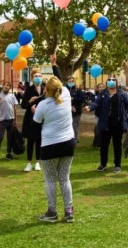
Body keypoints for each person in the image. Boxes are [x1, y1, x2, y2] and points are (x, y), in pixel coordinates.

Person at [33, 76, 75, 223]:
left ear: (47, 90)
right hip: (68, 143)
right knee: (64, 178)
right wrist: (55, 65)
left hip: (50, 146)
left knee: (50, 180)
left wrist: (34, 110)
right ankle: (69, 211)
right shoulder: (67, 96)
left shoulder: (43, 105)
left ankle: (52, 212)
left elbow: (36, 123)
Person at [86, 76, 128, 173]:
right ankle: (103, 164)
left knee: (117, 145)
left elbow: (127, 105)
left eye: (113, 80)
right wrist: (90, 108)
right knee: (104, 145)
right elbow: (95, 104)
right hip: (105, 124)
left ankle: (117, 165)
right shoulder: (102, 94)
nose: (111, 81)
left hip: (117, 124)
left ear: (116, 83)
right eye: (109, 80)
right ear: (106, 83)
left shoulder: (121, 94)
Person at [21, 68, 45, 172]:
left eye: (39, 76)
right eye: (36, 76)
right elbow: (23, 105)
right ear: (32, 78)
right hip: (30, 119)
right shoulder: (29, 89)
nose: (38, 78)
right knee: (30, 141)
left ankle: (38, 163)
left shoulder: (45, 89)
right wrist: (30, 103)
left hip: (42, 119)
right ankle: (29, 163)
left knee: (39, 141)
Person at [0, 82, 18, 161]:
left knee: (10, 137)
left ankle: (8, 154)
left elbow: (14, 108)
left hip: (11, 119)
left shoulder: (12, 96)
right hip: (2, 120)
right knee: (0, 137)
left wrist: (15, 120)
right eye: (4, 85)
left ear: (10, 88)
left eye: (8, 85)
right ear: (3, 86)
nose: (6, 87)